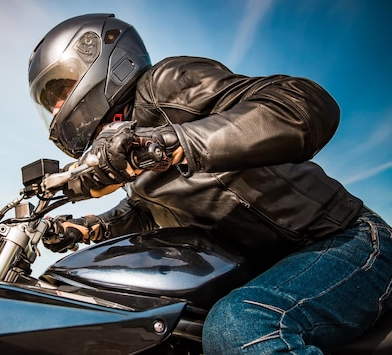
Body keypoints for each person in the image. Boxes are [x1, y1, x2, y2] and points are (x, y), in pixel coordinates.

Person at [28, 13, 392, 354]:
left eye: (61, 89)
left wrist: (168, 143)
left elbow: (302, 105)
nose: (59, 107)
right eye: (49, 102)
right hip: (273, 268)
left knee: (240, 322)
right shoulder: (127, 150)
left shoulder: (164, 86)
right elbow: (149, 211)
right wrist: (89, 227)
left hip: (347, 241)